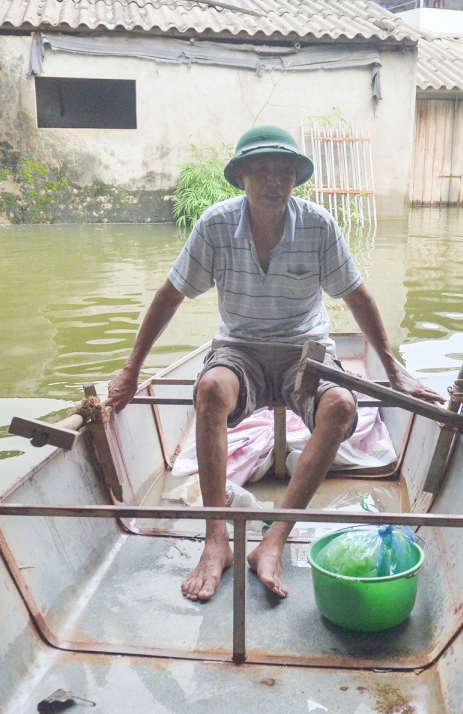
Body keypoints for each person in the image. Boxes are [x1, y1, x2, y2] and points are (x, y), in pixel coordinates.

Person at [105, 125, 442, 602]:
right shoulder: (216, 225)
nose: (273, 181)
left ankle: (274, 541)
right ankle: (216, 539)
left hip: (304, 350)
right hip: (240, 347)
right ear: (242, 176)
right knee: (209, 391)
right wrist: (131, 370)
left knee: (342, 407)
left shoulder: (318, 224)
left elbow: (358, 297)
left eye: (283, 171)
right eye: (261, 170)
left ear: (294, 180)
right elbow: (170, 295)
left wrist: (393, 370)